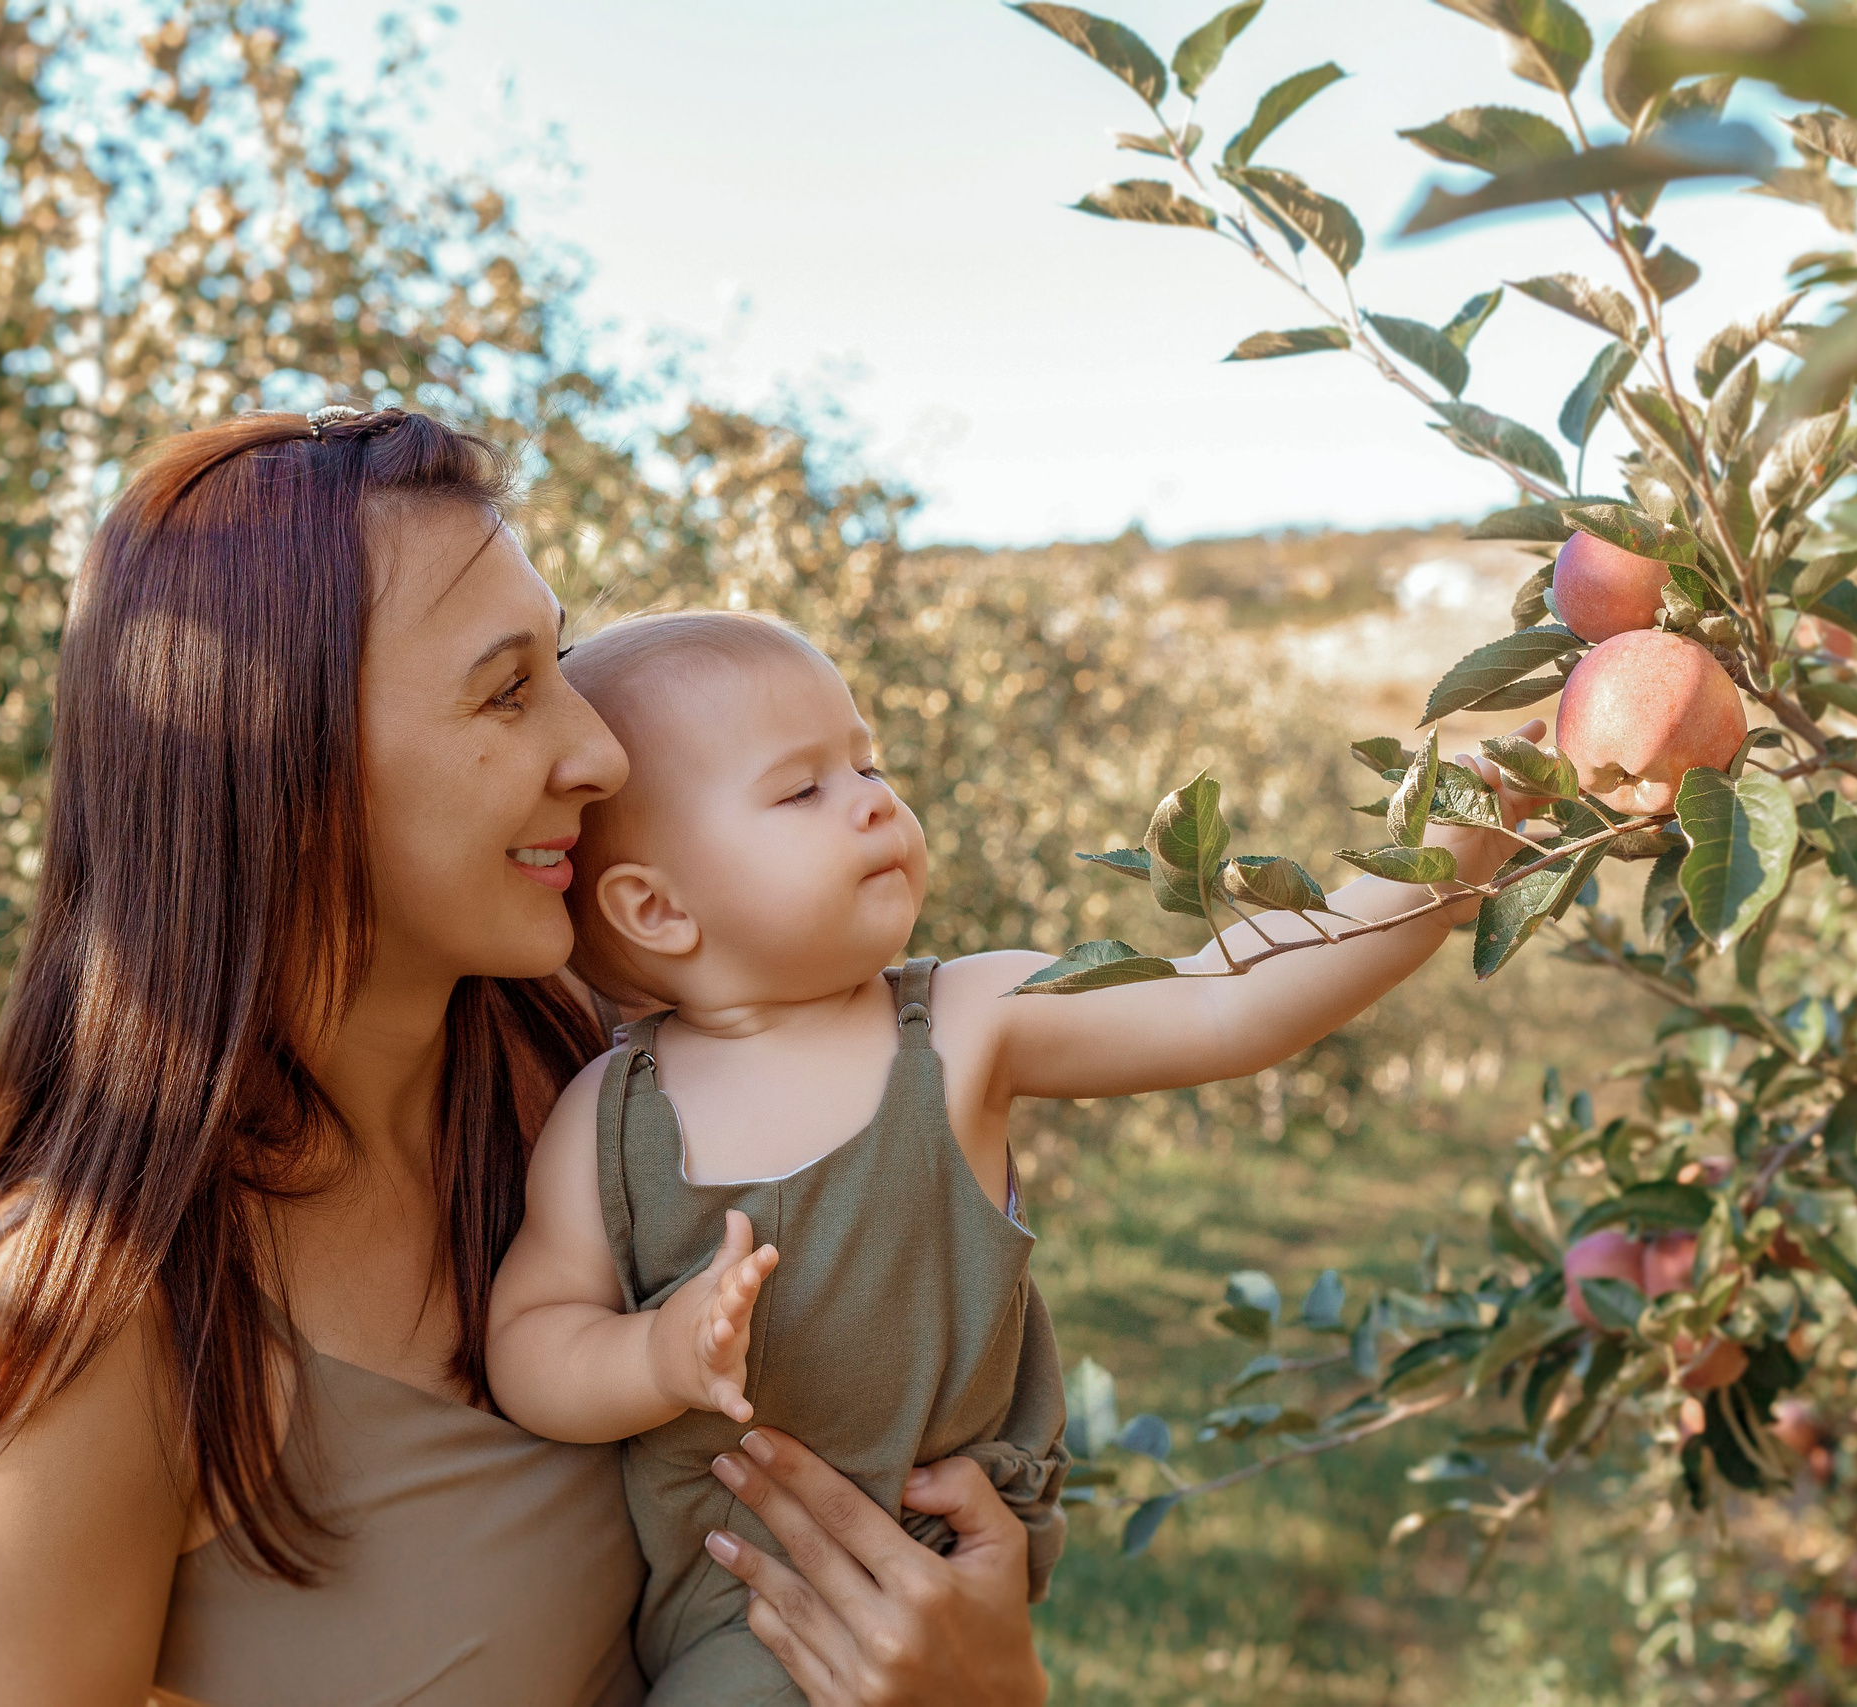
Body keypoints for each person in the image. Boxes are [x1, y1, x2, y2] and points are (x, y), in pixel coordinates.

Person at [0, 409, 1052, 1707]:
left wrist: (987, 1683)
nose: (600, 749)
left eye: (558, 662)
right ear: (281, 760)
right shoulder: (98, 1310)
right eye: (507, 688)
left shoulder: (597, 1088)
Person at [485, 611, 1533, 1704]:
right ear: (655, 908)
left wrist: (1445, 864)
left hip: (941, 1552)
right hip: (746, 1606)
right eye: (801, 790)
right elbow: (531, 1343)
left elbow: (1232, 1002)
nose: (874, 799)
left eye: (868, 761)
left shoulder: (967, 1019)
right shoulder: (609, 1113)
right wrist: (656, 1358)